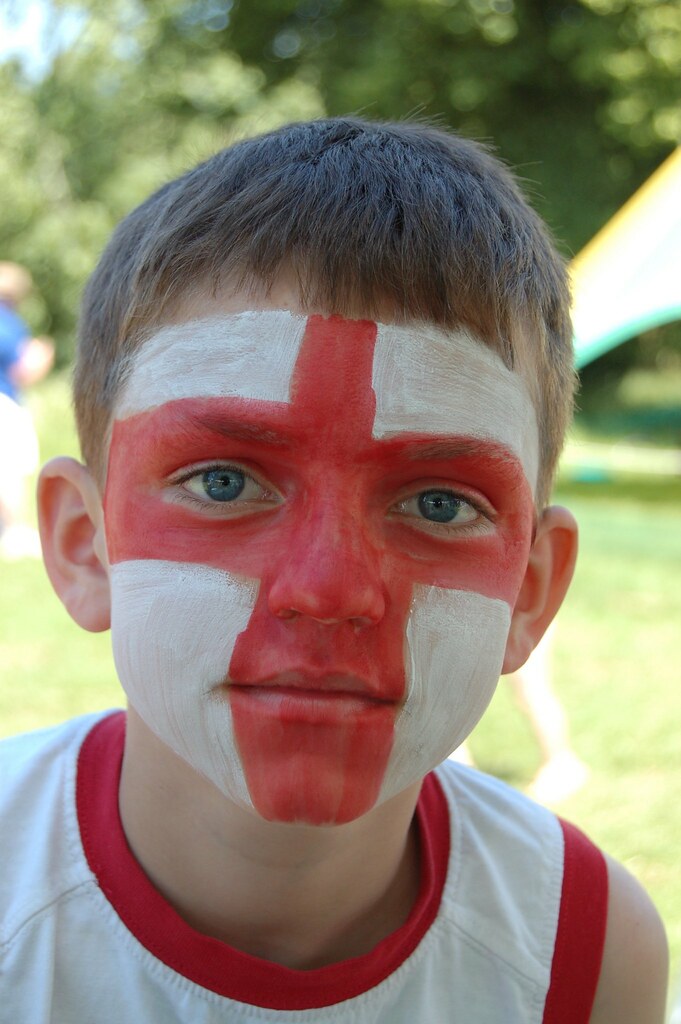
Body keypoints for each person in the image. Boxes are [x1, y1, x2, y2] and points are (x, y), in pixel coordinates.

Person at [0, 119, 667, 1022]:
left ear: (530, 590)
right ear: (85, 545)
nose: (329, 589)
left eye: (439, 503)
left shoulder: (580, 954)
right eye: (223, 481)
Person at [0, 261, 54, 558]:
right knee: (9, 467)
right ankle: (14, 532)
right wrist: (41, 355)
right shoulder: (7, 322)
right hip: (4, 402)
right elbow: (22, 371)